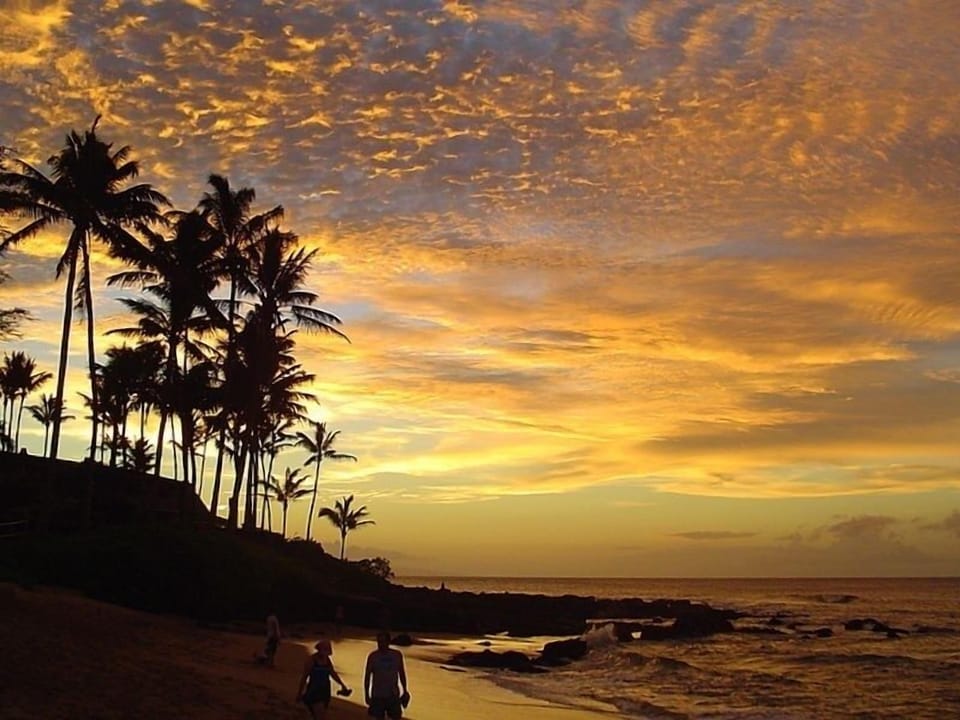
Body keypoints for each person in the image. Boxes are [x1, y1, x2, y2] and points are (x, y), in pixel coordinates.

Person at [297, 638, 350, 719]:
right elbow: (304, 677)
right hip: (314, 690)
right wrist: (299, 693)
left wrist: (342, 685)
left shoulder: (327, 660)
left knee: (318, 715)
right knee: (320, 716)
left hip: (325, 691)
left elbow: (332, 673)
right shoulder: (311, 660)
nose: (325, 653)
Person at [364, 631, 410, 720]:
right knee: (378, 717)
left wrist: (405, 690)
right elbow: (367, 676)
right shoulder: (373, 656)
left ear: (388, 642)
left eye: (383, 641)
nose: (380, 644)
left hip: (393, 693)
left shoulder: (397, 655)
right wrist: (366, 694)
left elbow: (402, 673)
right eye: (379, 642)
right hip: (378, 694)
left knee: (396, 717)